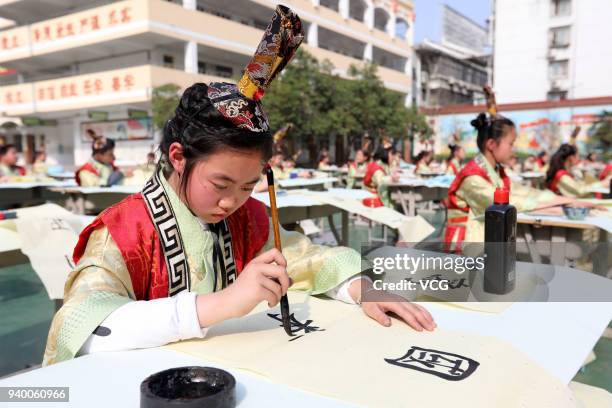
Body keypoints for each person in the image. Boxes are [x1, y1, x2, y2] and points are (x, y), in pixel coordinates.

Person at [43, 6, 435, 366]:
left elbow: (308, 258)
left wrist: (361, 287)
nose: (232, 202)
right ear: (178, 158)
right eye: (220, 183)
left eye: (248, 186)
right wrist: (223, 303)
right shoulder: (125, 232)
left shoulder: (248, 218)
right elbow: (82, 326)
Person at [444, 113, 584, 246]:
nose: (514, 149)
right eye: (511, 143)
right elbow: (503, 202)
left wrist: (557, 200)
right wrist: (560, 202)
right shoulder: (472, 177)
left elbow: (522, 191)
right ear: (491, 144)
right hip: (465, 245)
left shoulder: (495, 171)